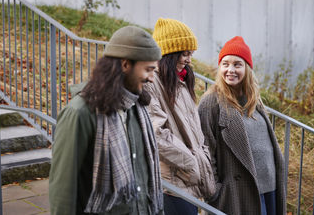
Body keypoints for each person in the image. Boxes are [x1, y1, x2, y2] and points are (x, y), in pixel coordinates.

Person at [49, 26, 164, 215]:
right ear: (125, 65)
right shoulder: (80, 113)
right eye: (149, 70)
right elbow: (63, 190)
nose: (152, 78)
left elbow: (146, 179)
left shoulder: (137, 108)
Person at [198, 36, 286, 215]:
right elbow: (205, 150)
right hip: (238, 193)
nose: (230, 70)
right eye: (225, 64)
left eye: (237, 64)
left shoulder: (253, 101)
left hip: (269, 189)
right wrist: (215, 191)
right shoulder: (211, 103)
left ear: (247, 68)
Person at [144, 18, 216, 215]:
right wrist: (191, 162)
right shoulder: (151, 84)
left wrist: (202, 158)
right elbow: (155, 133)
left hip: (187, 180)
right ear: (168, 53)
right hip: (171, 184)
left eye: (190, 54)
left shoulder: (180, 82)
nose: (189, 60)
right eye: (184, 54)